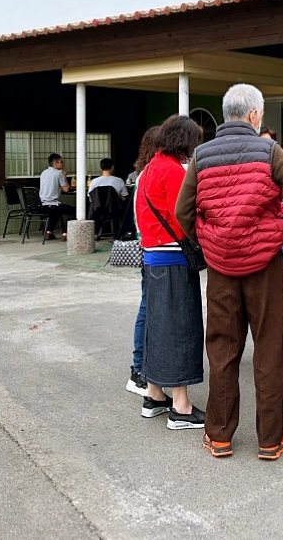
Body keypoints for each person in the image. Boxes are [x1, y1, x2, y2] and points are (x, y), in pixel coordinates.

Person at [176, 83, 283, 460]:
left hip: (221, 268)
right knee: (268, 348)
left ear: (226, 113)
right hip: (265, 266)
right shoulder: (270, 151)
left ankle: (219, 436)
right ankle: (270, 440)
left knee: (222, 348)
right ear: (254, 115)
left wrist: (208, 239)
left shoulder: (201, 155)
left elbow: (182, 211)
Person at [135, 115, 207, 429]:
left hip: (152, 255)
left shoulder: (149, 168)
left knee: (157, 326)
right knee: (180, 327)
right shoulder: (174, 171)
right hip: (174, 257)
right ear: (185, 142)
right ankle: (181, 406)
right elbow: (183, 216)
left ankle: (155, 395)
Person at [126, 126, 159, 400]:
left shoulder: (142, 175)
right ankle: (138, 369)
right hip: (150, 249)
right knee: (147, 309)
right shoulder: (148, 177)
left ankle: (140, 367)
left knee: (147, 307)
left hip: (146, 248)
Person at [39, 153, 75, 240]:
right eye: (61, 162)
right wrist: (64, 176)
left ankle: (49, 232)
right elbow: (66, 189)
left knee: (55, 211)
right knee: (74, 211)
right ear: (55, 164)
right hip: (52, 204)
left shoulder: (44, 172)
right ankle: (65, 233)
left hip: (41, 205)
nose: (63, 164)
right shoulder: (59, 173)